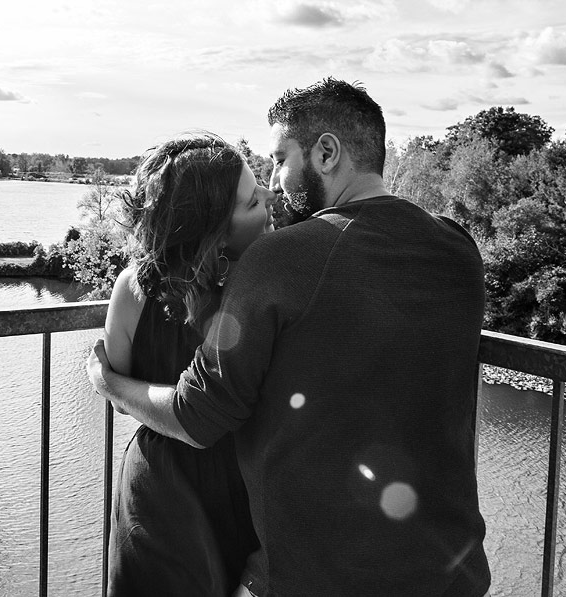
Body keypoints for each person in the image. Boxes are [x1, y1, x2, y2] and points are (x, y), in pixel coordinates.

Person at [88, 78, 491, 597]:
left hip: (323, 575)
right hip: (452, 569)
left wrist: (110, 384)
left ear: (326, 152)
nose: (275, 183)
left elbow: (199, 413)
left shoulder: (281, 259)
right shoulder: (458, 246)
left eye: (280, 159)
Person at [104, 132, 275, 596]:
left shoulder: (132, 289)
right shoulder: (262, 290)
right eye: (251, 200)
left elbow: (118, 386)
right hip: (237, 488)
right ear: (215, 229)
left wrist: (106, 381)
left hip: (158, 485)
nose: (268, 196)